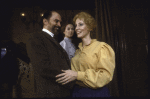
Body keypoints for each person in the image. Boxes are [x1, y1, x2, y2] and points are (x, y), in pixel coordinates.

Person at [56, 12, 115, 97]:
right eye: (76, 25)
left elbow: (105, 76)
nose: (76, 28)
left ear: (90, 27)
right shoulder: (77, 51)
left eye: (80, 24)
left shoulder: (101, 47)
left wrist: (77, 75)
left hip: (96, 93)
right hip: (77, 92)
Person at [26, 11, 75, 98]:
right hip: (51, 93)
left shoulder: (54, 39)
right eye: (56, 21)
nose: (59, 25)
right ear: (45, 21)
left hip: (60, 91)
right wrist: (70, 79)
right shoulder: (35, 37)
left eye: (60, 22)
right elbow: (43, 67)